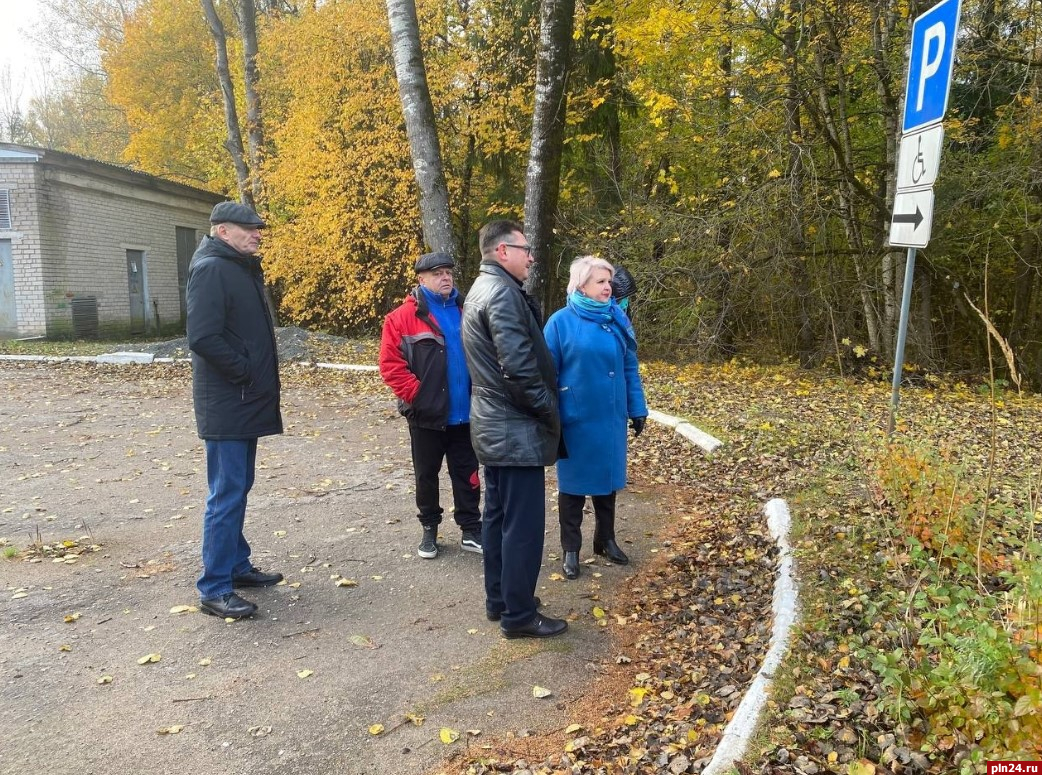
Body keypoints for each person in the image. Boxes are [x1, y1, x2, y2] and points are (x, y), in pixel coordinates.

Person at [461, 219, 568, 639]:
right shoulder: (502, 294)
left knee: (497, 517)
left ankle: (501, 599)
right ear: (503, 250)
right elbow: (518, 368)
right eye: (525, 249)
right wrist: (547, 411)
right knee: (521, 526)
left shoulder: (482, 289)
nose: (531, 258)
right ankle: (519, 615)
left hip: (494, 424)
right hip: (512, 427)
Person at [186, 201, 284, 620]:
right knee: (226, 494)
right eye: (249, 228)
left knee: (238, 487)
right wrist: (245, 372)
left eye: (258, 228)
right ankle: (214, 588)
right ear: (223, 231)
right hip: (229, 403)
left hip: (243, 401)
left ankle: (236, 566)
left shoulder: (238, 266)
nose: (257, 233)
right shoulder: (212, 268)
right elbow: (203, 337)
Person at [543, 256, 648, 580]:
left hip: (610, 416)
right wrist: (553, 416)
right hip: (576, 419)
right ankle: (570, 549)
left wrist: (637, 408)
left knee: (607, 483)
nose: (609, 287)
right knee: (573, 488)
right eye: (601, 281)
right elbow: (547, 374)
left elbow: (629, 366)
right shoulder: (560, 322)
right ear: (581, 285)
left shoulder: (617, 319)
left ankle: (605, 540)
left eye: (609, 281)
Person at [379, 251, 482, 559]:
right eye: (437, 273)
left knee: (468, 474)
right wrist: (420, 397)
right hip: (426, 415)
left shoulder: (469, 311)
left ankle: (471, 530)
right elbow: (390, 365)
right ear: (421, 279)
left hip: (467, 414)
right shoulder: (401, 318)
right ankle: (429, 530)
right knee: (427, 475)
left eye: (448, 272)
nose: (445, 277)